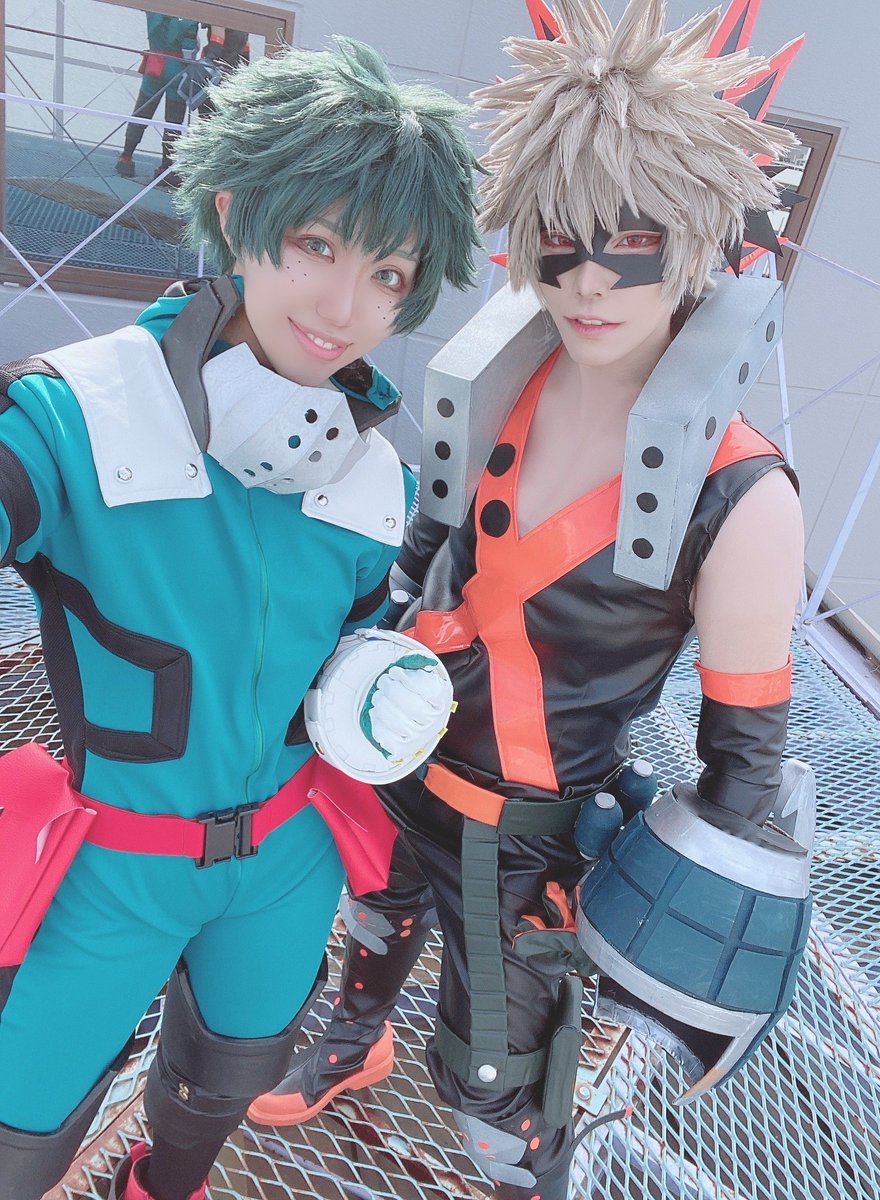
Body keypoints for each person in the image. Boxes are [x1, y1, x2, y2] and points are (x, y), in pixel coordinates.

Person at [249, 3, 812, 1199]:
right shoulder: (504, 377)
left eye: (636, 240)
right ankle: (356, 1038)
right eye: (561, 239)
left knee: (495, 1094)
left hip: (525, 837)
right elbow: (426, 553)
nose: (591, 280)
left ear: (701, 235)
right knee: (371, 909)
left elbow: (745, 768)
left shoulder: (741, 493)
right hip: (396, 739)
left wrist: (686, 942)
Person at [0, 38, 479, 1200]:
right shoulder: (75, 412)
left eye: (388, 273)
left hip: (287, 857)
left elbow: (348, 660)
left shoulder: (379, 476)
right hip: (116, 866)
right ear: (235, 213)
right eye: (316, 243)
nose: (344, 307)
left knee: (225, 1083)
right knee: (19, 1133)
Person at [116, 12, 199, 181]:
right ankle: (166, 168)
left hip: (153, 65)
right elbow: (188, 51)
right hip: (177, 69)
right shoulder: (190, 16)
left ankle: (126, 157)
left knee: (141, 113)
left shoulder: (153, 9)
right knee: (173, 122)